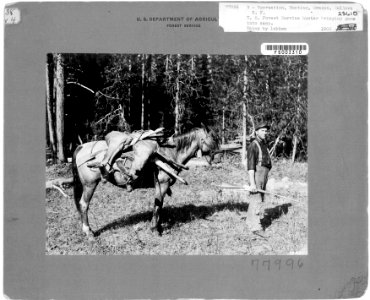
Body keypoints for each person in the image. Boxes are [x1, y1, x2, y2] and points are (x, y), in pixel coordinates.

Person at [246, 121, 272, 233]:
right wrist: (252, 183)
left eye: (266, 131)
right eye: (262, 130)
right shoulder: (253, 145)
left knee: (258, 199)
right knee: (256, 199)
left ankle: (249, 221)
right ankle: (255, 227)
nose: (265, 133)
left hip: (264, 174)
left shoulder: (264, 144)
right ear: (256, 132)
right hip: (257, 174)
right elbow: (251, 166)